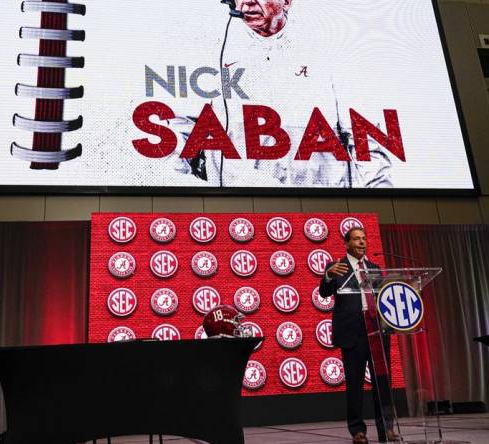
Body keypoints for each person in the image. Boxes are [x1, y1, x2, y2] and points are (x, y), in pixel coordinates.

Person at [168, 0, 393, 188]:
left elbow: (365, 138)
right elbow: (177, 132)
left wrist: (380, 199)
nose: (247, 1)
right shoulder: (210, 52)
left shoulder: (327, 50)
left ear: (287, 1)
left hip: (326, 211)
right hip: (240, 214)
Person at [319, 227, 399, 444]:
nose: (362, 242)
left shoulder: (374, 268)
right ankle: (357, 431)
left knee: (383, 383)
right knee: (354, 383)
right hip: (352, 332)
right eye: (356, 239)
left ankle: (386, 429)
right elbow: (324, 293)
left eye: (364, 239)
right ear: (346, 244)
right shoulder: (337, 268)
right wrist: (327, 275)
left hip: (376, 331)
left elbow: (385, 298)